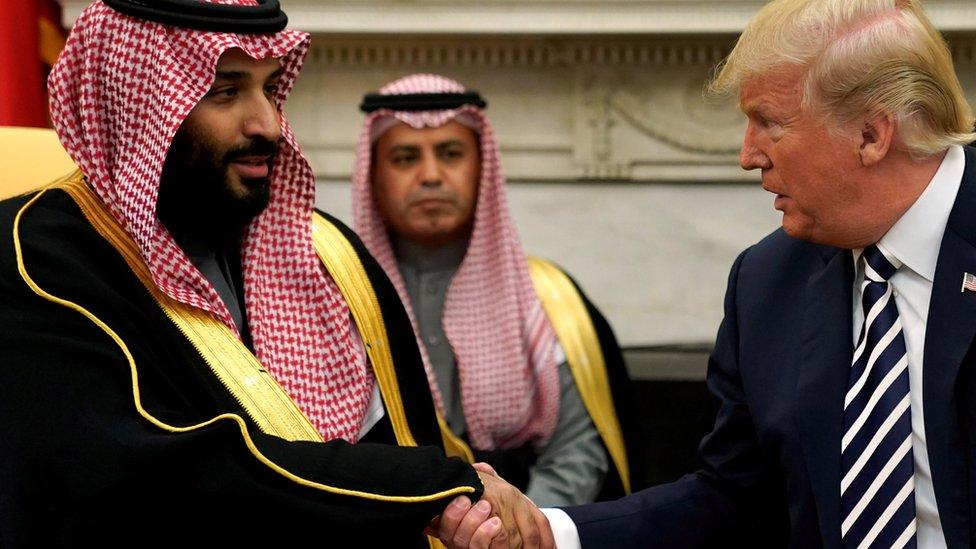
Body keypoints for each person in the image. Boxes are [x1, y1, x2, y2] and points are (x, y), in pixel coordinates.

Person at [0, 1, 551, 547]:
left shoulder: (329, 258)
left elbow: (397, 443)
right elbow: (158, 468)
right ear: (136, 105)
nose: (267, 123)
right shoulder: (36, 255)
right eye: (226, 91)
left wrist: (466, 512)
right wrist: (434, 487)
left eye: (270, 87)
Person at [443, 0, 976, 547]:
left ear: (871, 135)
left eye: (769, 123)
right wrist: (545, 531)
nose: (748, 156)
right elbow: (733, 499)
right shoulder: (767, 282)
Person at [350, 73, 638, 509]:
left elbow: (578, 449)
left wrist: (516, 531)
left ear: (482, 168)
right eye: (406, 158)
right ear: (372, 176)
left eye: (450, 154)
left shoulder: (549, 299)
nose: (430, 175)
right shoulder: (334, 299)